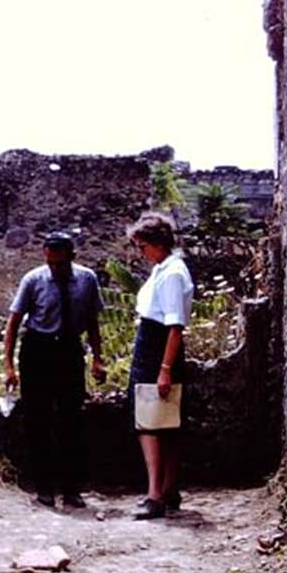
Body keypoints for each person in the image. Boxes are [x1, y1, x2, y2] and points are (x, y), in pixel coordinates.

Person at [2, 231, 107, 509]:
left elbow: (93, 322)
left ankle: (71, 488)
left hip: (69, 351)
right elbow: (13, 323)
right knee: (38, 419)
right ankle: (44, 487)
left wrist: (98, 358)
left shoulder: (87, 280)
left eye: (61, 264)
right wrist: (9, 367)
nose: (56, 269)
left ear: (72, 257)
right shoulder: (33, 280)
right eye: (51, 263)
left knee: (71, 419)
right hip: (38, 350)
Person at [126, 213, 194, 520]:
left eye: (143, 246)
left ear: (156, 244)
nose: (142, 253)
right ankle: (167, 489)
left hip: (157, 350)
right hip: (151, 347)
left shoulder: (172, 273)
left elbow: (174, 325)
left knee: (152, 423)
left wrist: (164, 367)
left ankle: (156, 493)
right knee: (158, 420)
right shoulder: (162, 269)